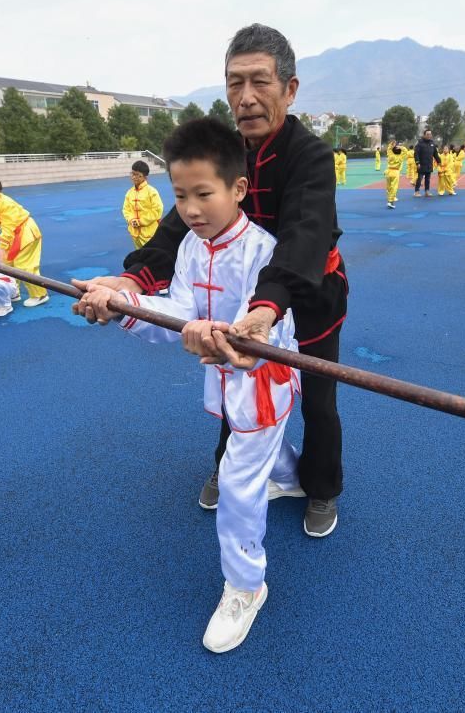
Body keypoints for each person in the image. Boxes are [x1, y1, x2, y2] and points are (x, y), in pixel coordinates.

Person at [72, 24, 347, 538]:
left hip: (306, 297)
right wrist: (126, 281)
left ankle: (322, 487)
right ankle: (233, 462)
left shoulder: (309, 156)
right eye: (234, 83)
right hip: (236, 291)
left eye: (260, 82)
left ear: (290, 89)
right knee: (232, 375)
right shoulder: (224, 153)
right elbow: (178, 228)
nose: (246, 98)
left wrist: (266, 310)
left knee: (317, 398)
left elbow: (303, 237)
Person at [88, 119, 305, 652]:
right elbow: (181, 311)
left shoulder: (263, 251)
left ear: (238, 188)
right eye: (180, 195)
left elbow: (265, 332)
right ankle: (294, 478)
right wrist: (124, 305)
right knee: (252, 447)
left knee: (236, 480)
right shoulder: (189, 247)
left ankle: (246, 586)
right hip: (226, 379)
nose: (189, 209)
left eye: (203, 194)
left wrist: (227, 336)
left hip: (262, 378)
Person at [0, 172, 49, 307]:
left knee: (25, 266)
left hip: (25, 234)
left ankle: (40, 294)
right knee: (6, 264)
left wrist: (2, 247)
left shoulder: (5, 202)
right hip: (12, 235)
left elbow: (9, 226)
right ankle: (13, 292)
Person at [122, 160, 164, 248]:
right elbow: (126, 209)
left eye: (138, 175)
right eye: (132, 174)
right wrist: (131, 219)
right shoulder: (129, 193)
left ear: (145, 177)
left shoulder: (151, 191)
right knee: (139, 255)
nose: (134, 177)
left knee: (152, 256)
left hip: (150, 233)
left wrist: (141, 221)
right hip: (135, 233)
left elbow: (157, 210)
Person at [413, 129, 441, 197]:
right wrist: (417, 163)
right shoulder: (420, 143)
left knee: (428, 179)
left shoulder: (432, 143)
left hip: (429, 164)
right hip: (421, 164)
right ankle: (416, 191)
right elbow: (416, 154)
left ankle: (427, 191)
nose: (429, 136)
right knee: (420, 178)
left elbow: (435, 153)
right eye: (427, 134)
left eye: (430, 134)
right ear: (424, 135)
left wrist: (439, 161)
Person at [384, 142, 404, 209]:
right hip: (395, 172)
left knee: (389, 186)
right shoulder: (401, 156)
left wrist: (391, 144)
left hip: (389, 171)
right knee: (394, 187)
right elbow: (405, 151)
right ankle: (390, 201)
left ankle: (389, 197)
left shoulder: (390, 155)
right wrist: (401, 147)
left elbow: (389, 149)